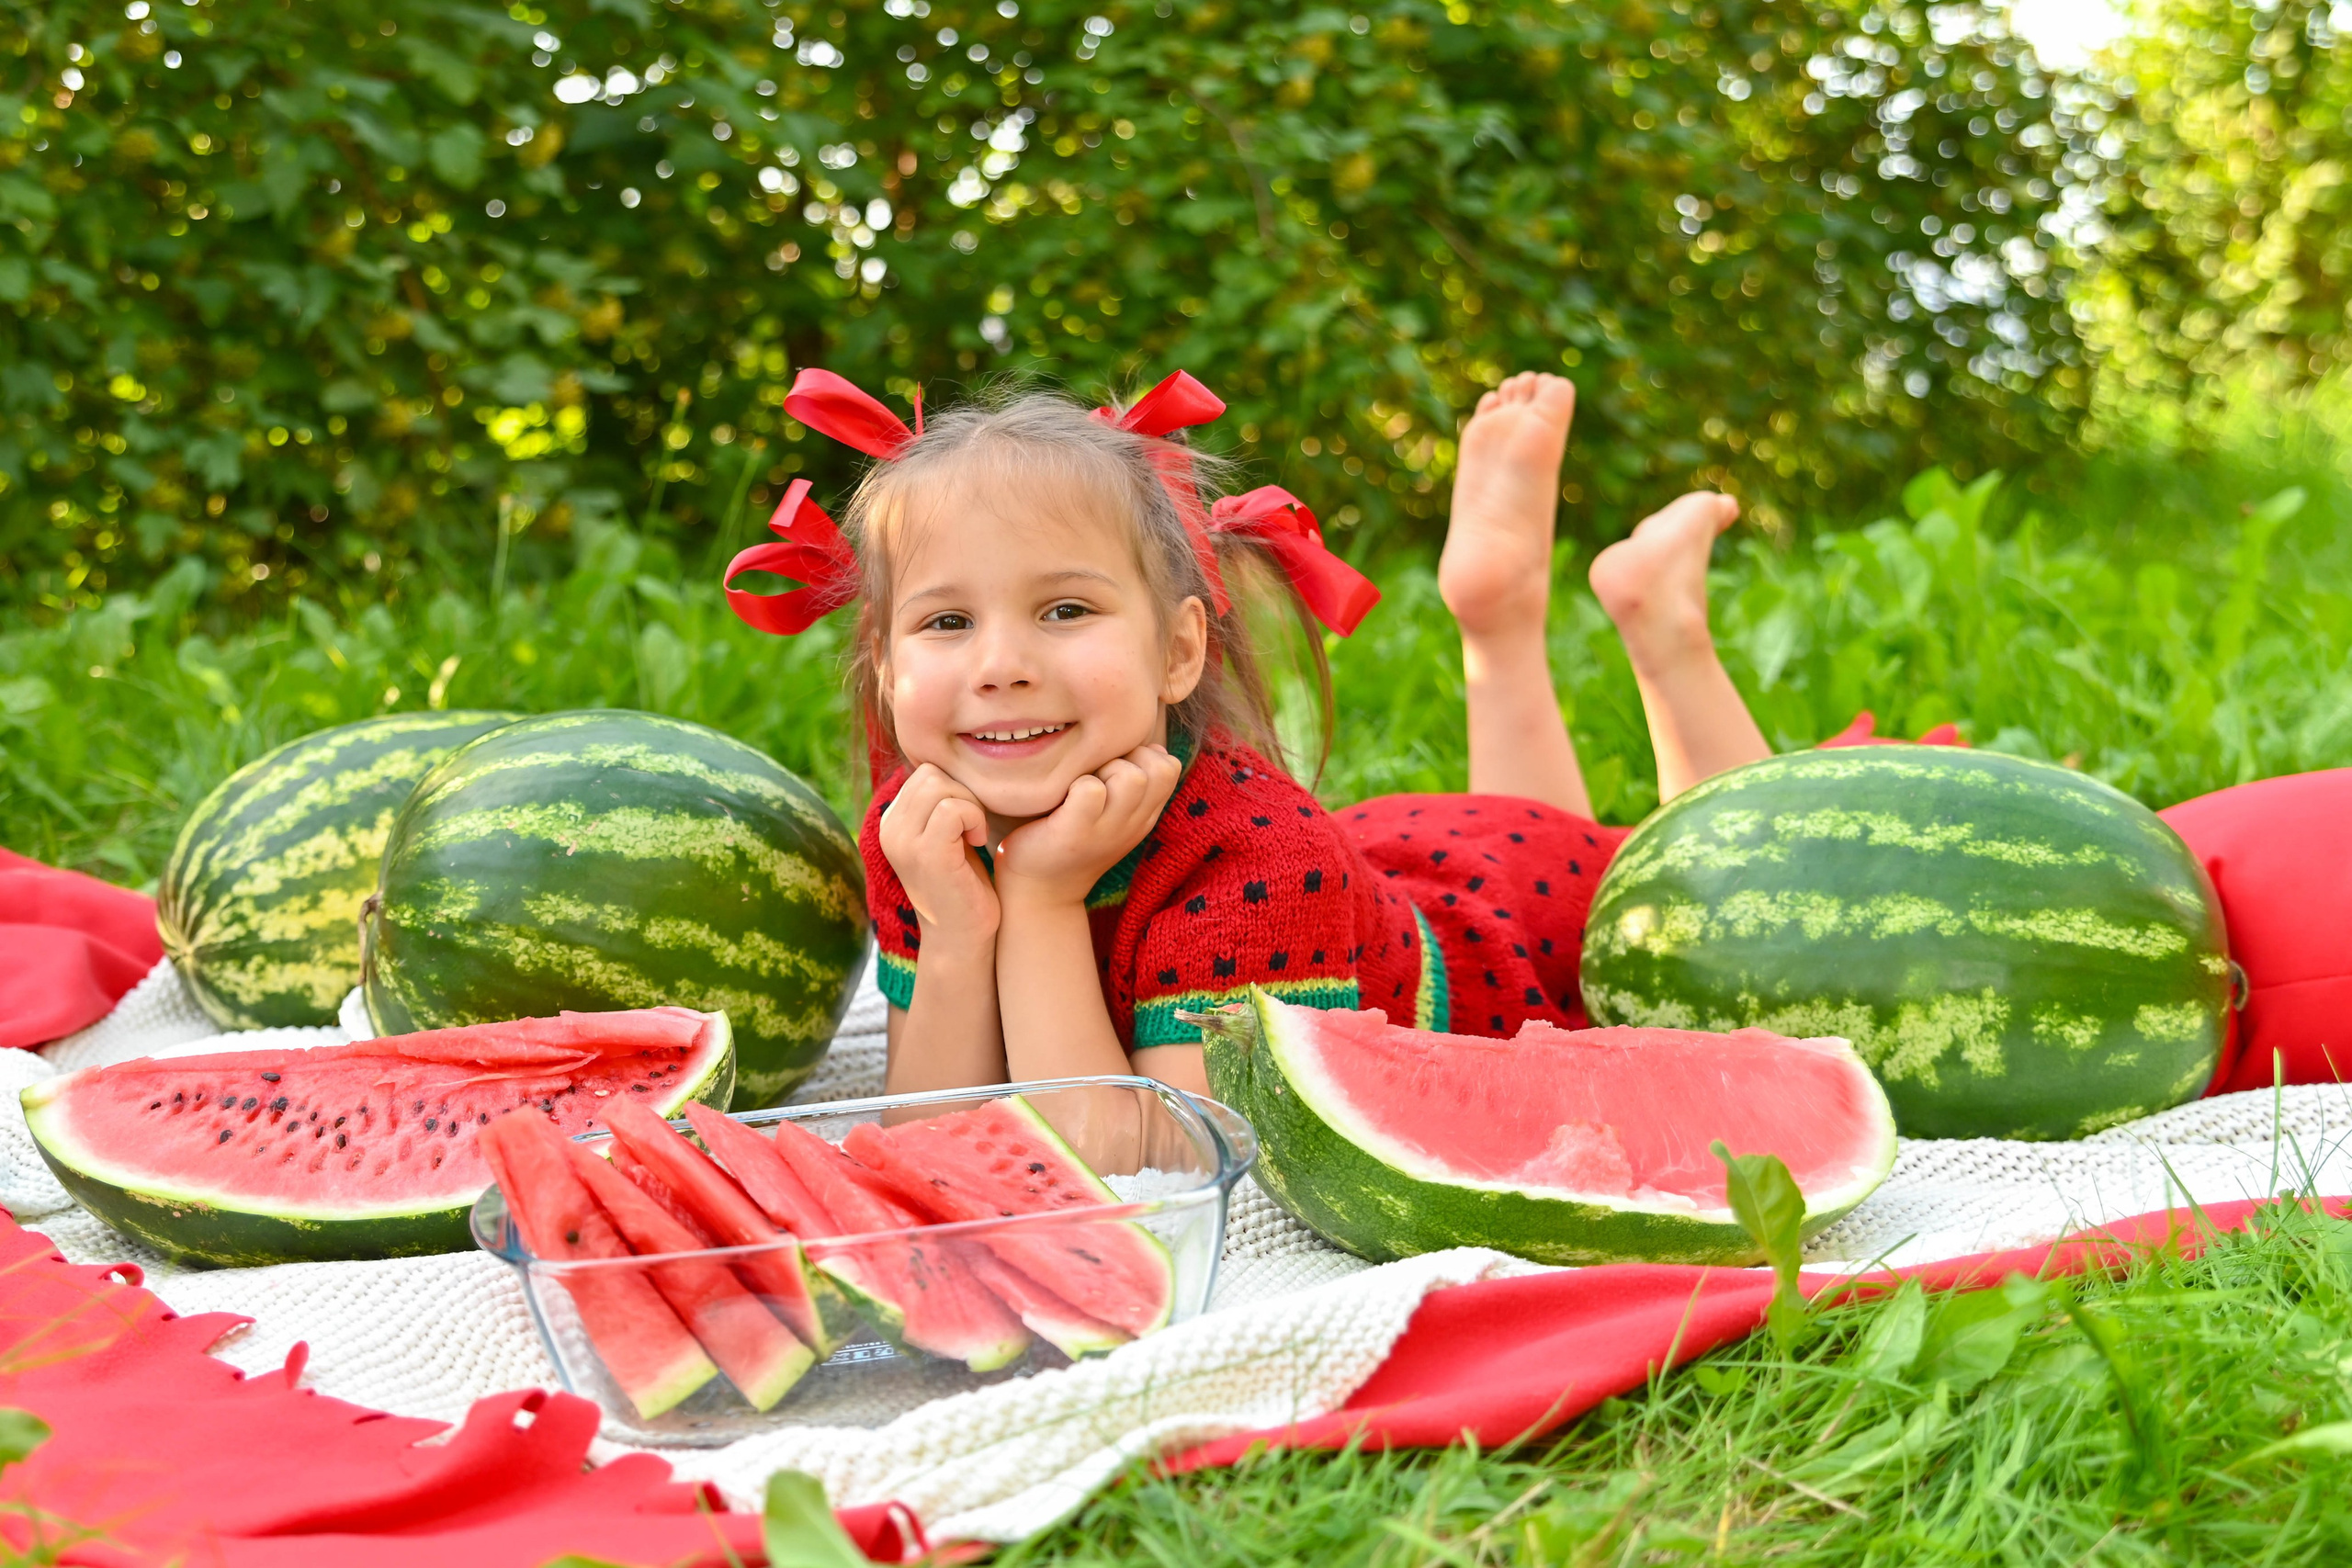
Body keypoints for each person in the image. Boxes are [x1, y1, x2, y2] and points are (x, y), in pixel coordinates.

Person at [723, 367, 1726, 1099]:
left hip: (1506, 942)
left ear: (1178, 651)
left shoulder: (1258, 865)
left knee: (1722, 882)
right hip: (1398, 863)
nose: (1000, 665)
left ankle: (1665, 634)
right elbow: (935, 1126)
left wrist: (1038, 899)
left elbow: (1134, 1157)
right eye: (947, 622)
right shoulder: (919, 830)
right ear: (888, 669)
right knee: (1527, 821)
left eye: (1064, 611)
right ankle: (1499, 623)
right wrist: (954, 933)